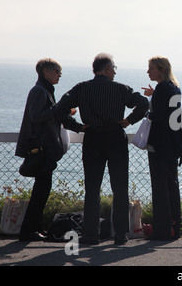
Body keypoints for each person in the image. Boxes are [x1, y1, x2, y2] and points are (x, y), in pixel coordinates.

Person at [54, 53, 149, 245]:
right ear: (106, 69)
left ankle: (91, 235)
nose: (114, 71)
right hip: (115, 138)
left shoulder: (82, 88)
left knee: (92, 189)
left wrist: (77, 126)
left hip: (93, 138)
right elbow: (143, 103)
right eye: (113, 68)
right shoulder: (120, 89)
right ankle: (120, 235)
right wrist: (129, 120)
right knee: (120, 188)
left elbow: (59, 109)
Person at [16, 58, 79, 241]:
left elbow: (47, 114)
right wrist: (59, 108)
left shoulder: (44, 90)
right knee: (41, 190)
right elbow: (36, 117)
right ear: (45, 71)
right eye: (57, 71)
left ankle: (33, 228)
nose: (59, 75)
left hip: (45, 149)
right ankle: (28, 231)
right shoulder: (38, 91)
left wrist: (62, 112)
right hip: (42, 149)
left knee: (42, 190)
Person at [142, 56, 182, 240]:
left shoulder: (162, 88)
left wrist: (147, 111)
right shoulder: (173, 87)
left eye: (151, 68)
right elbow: (170, 114)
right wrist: (154, 96)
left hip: (160, 146)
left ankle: (162, 230)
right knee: (171, 187)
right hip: (172, 146)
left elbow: (158, 116)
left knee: (160, 188)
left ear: (161, 70)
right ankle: (173, 228)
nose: (148, 72)